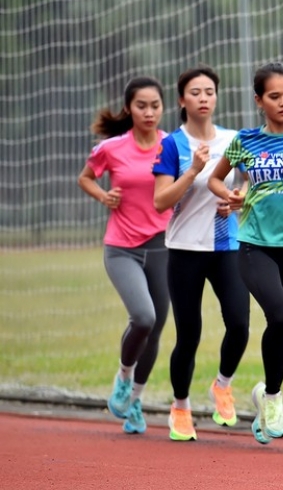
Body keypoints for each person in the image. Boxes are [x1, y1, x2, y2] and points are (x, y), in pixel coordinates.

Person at [208, 62, 283, 445]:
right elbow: (216, 176)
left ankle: (266, 396)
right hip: (255, 244)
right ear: (259, 100)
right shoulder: (245, 140)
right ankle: (275, 400)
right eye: (274, 96)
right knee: (278, 314)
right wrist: (226, 193)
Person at [152, 65, 250, 441]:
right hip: (184, 250)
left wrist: (237, 201)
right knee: (189, 332)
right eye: (195, 92)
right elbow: (161, 201)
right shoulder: (172, 144)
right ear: (182, 100)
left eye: (209, 91)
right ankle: (180, 407)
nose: (204, 98)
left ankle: (222, 384)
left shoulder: (233, 139)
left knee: (239, 324)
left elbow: (247, 187)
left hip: (227, 245)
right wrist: (192, 170)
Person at [77, 76, 171, 435]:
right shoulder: (112, 148)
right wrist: (103, 196)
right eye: (141, 106)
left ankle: (134, 401)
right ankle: (124, 376)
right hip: (122, 248)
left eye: (155, 105)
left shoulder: (171, 145)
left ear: (164, 108)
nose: (149, 112)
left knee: (158, 326)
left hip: (163, 247)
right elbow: (85, 177)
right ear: (129, 108)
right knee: (143, 317)